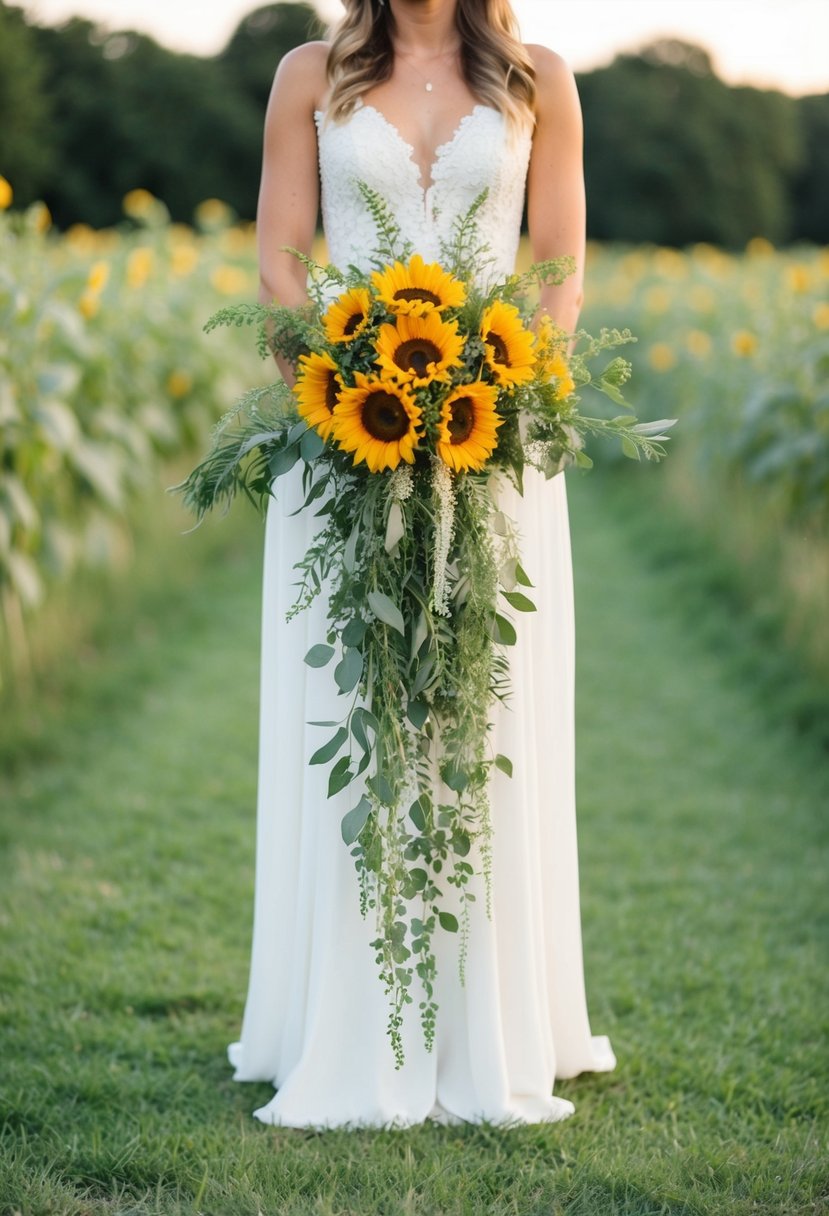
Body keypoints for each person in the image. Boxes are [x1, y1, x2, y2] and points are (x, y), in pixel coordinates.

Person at [227, 0, 616, 1129]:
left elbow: (559, 269)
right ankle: (343, 1028)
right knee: (356, 712)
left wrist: (495, 401)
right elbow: (278, 266)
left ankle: (487, 1028)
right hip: (346, 435)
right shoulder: (311, 71)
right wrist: (350, 385)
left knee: (478, 720)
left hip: (494, 446)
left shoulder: (540, 78)